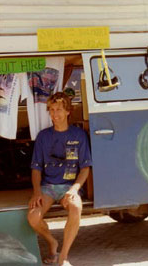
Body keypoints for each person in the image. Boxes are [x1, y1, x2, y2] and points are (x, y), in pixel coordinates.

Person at [27, 92, 92, 266]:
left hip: (69, 186)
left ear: (68, 112)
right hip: (48, 187)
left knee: (76, 207)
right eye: (52, 110)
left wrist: (74, 189)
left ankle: (62, 257)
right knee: (33, 217)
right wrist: (36, 192)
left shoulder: (78, 135)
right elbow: (36, 169)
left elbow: (85, 168)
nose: (55, 114)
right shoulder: (43, 136)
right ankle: (52, 242)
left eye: (59, 110)